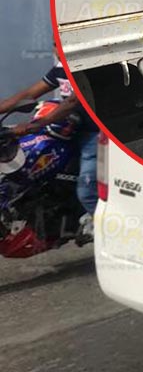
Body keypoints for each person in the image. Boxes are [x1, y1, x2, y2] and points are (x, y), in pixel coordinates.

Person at [0, 60, 100, 239]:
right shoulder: (60, 69)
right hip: (72, 127)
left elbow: (72, 101)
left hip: (94, 131)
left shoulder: (81, 64)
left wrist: (37, 125)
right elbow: (29, 94)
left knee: (87, 191)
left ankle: (108, 232)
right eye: (55, 43)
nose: (57, 47)